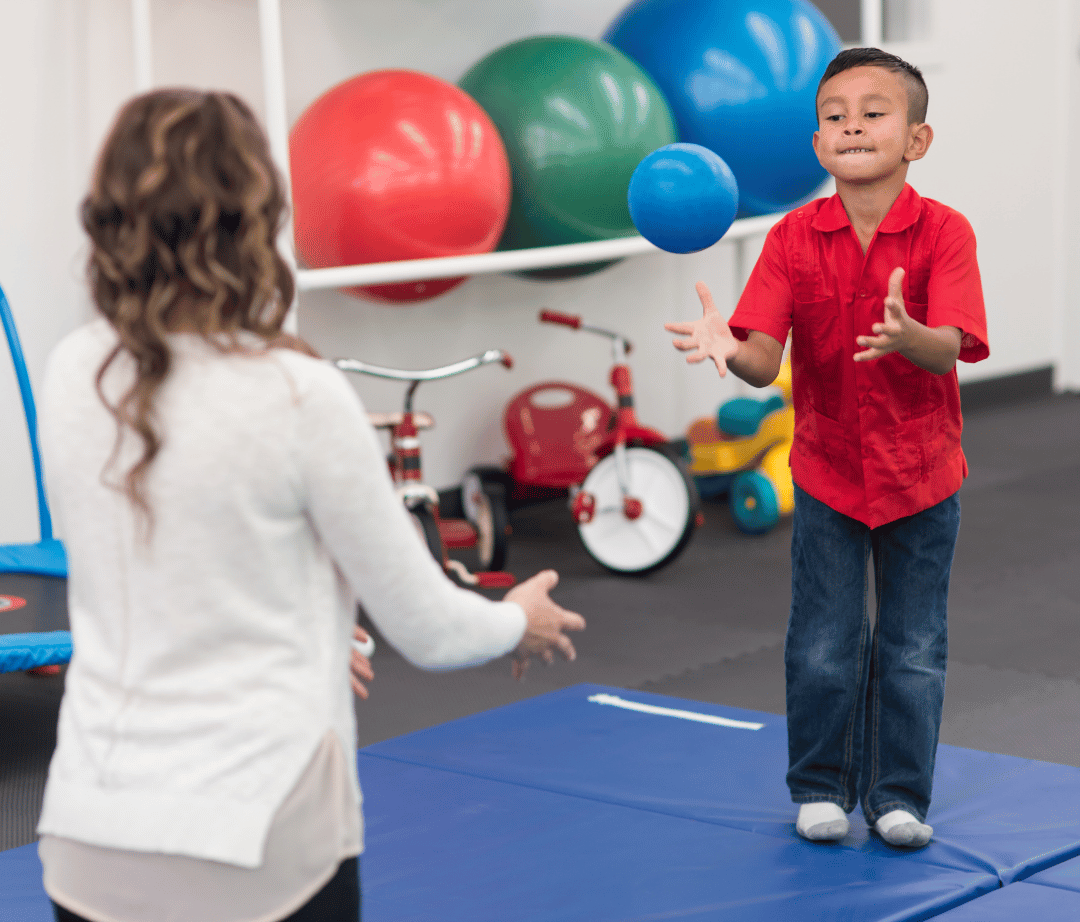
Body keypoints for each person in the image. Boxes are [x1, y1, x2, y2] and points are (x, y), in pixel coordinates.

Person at [34, 88, 586, 922]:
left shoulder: (75, 371)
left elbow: (168, 566)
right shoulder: (297, 393)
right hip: (259, 848)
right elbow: (431, 629)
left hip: (89, 843)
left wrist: (318, 631)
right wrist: (520, 620)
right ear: (255, 218)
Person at [665, 48, 988, 848]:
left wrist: (911, 335)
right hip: (828, 474)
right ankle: (819, 786)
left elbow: (950, 347)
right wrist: (723, 346)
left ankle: (899, 796)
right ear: (817, 146)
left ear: (917, 139)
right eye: (835, 114)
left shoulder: (946, 233)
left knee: (914, 647)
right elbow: (759, 360)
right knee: (822, 644)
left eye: (874, 112)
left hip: (923, 475)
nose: (852, 124)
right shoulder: (791, 238)